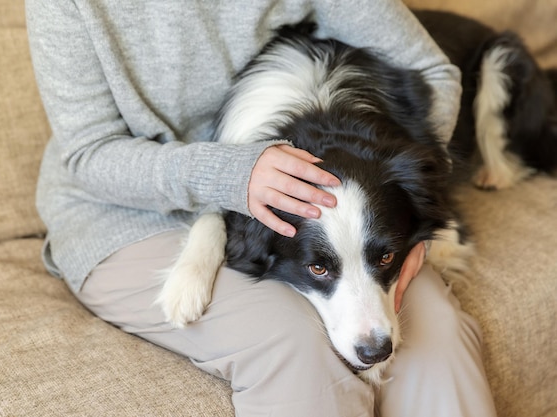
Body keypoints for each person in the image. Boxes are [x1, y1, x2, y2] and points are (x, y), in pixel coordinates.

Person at [25, 1, 498, 416]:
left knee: (436, 334)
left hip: (310, 200)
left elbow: (429, 71)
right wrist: (232, 176)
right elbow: (89, 153)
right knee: (294, 346)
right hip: (122, 209)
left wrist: (413, 192)